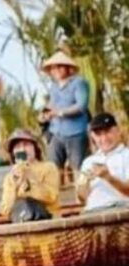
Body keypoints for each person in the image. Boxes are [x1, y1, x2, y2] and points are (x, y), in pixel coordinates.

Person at [40, 51, 90, 185]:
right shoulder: (54, 86)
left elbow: (81, 106)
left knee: (78, 168)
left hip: (75, 132)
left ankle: (81, 199)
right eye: (53, 68)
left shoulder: (79, 83)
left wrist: (59, 112)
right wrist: (45, 114)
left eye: (59, 66)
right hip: (56, 132)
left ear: (68, 68)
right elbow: (51, 103)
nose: (56, 70)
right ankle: (57, 201)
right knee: (54, 168)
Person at [0, 129, 60, 222]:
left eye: (26, 145)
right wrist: (16, 184)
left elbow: (51, 197)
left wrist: (29, 177)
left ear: (35, 148)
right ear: (13, 153)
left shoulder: (48, 167)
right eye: (18, 146)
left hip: (48, 219)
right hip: (21, 221)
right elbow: (5, 210)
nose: (22, 149)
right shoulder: (10, 177)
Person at [77, 113, 129, 211]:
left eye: (108, 132)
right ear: (93, 136)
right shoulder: (88, 161)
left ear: (118, 131)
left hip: (121, 209)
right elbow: (81, 199)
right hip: (92, 211)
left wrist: (108, 177)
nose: (104, 138)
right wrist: (84, 183)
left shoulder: (127, 155)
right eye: (99, 134)